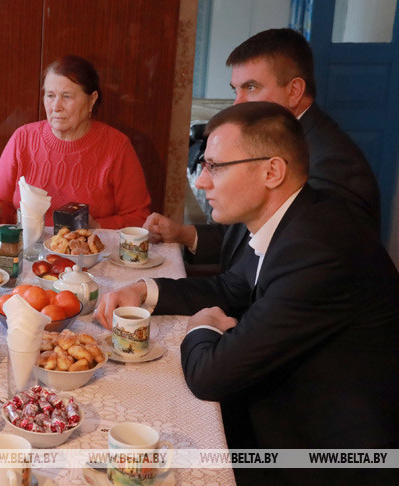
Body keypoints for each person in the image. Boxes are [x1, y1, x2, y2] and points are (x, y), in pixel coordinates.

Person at [96, 102, 399, 484]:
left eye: (215, 167)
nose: (202, 181)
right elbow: (232, 286)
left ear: (272, 171)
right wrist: (145, 290)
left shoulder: (318, 248)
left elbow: (210, 376)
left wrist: (200, 326)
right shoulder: (292, 216)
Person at [146, 28, 380, 270]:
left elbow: (311, 262)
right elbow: (246, 234)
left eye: (251, 88)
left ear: (294, 91)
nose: (237, 103)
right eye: (235, 90)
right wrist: (184, 235)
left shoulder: (333, 163)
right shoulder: (277, 138)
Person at [0, 55, 151, 229]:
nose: (55, 106)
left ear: (92, 100)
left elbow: (138, 218)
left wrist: (97, 226)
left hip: (88, 253)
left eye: (67, 96)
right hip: (29, 251)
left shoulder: (117, 146)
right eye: (50, 95)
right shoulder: (22, 138)